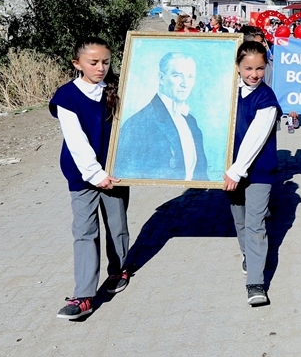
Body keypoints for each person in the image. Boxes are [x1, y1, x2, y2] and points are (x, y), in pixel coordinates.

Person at [49, 38, 130, 320]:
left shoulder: (117, 88)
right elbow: (76, 141)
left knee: (117, 225)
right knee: (84, 231)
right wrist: (95, 175)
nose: (100, 68)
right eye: (93, 63)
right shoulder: (66, 97)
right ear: (77, 64)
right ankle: (84, 295)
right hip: (83, 175)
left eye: (106, 62)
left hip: (115, 172)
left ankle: (118, 270)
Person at [223, 41, 282, 306]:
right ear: (237, 67)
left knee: (256, 223)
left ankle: (256, 282)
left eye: (259, 68)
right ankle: (248, 254)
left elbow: (256, 138)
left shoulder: (266, 98)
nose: (254, 74)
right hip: (231, 170)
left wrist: (237, 170)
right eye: (248, 68)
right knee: (240, 218)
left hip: (258, 170)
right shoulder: (227, 92)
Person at [117, 52, 209, 181]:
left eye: (190, 76)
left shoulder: (191, 121)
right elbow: (125, 173)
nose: (185, 83)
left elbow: (201, 174)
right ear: (161, 78)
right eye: (177, 75)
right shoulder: (138, 123)